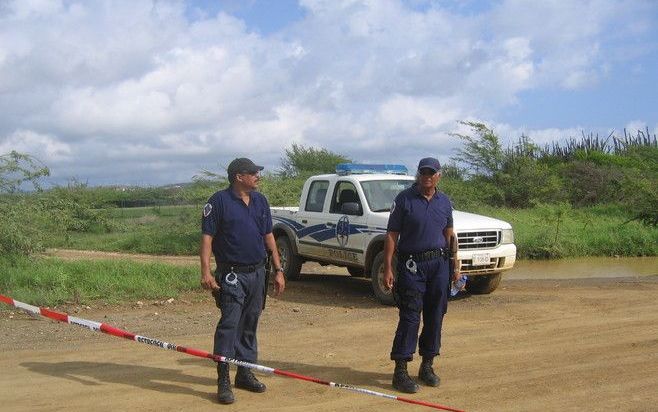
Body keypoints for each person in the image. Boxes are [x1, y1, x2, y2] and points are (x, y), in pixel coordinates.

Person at [200, 157, 285, 404]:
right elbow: (207, 239)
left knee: (250, 322)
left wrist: (278, 269)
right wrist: (205, 272)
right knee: (230, 323)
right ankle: (224, 377)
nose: (258, 176)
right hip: (232, 274)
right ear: (239, 176)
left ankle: (245, 372)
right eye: (253, 172)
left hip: (258, 272)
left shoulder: (260, 201)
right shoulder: (218, 202)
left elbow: (268, 236)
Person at [383, 157, 461, 393]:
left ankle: (427, 366)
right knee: (410, 316)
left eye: (432, 173)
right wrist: (388, 266)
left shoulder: (444, 202)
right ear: (418, 174)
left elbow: (450, 234)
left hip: (439, 265)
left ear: (439, 175)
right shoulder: (404, 199)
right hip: (411, 266)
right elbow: (392, 235)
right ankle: (400, 371)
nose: (427, 176)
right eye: (423, 172)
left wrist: (455, 266)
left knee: (436, 315)